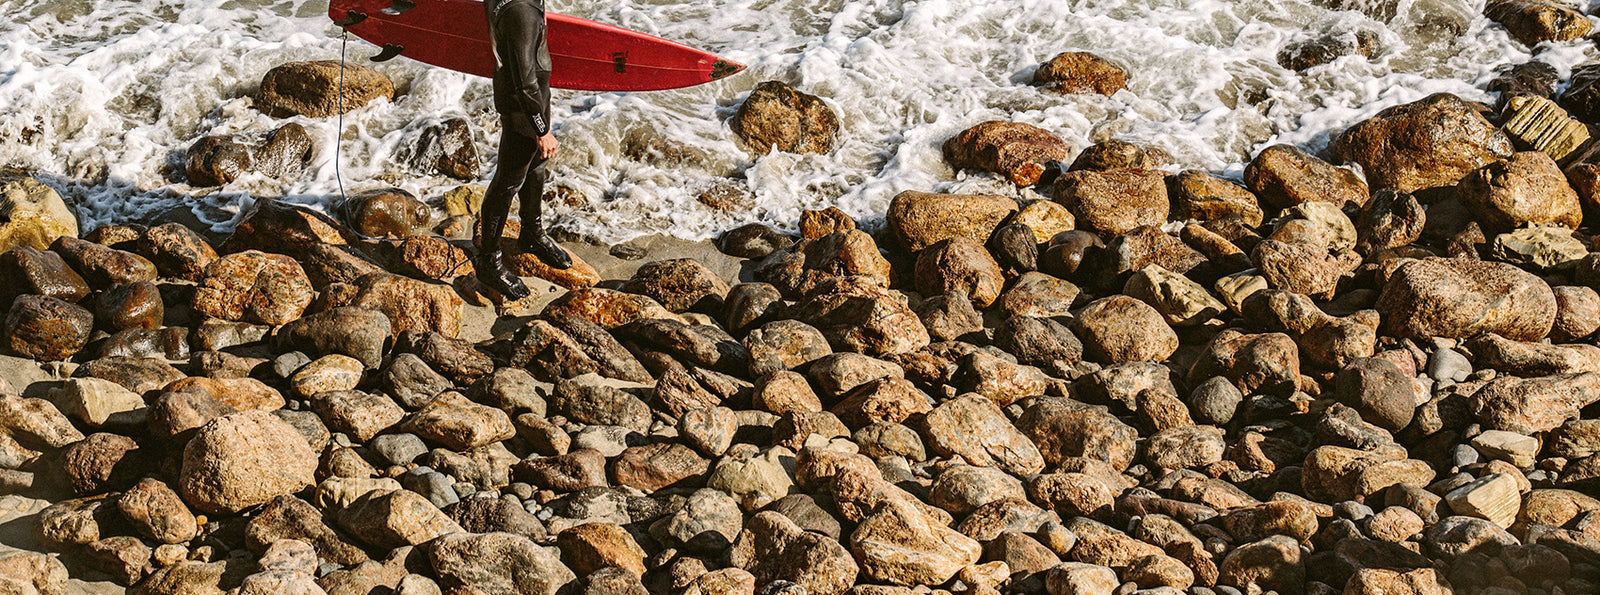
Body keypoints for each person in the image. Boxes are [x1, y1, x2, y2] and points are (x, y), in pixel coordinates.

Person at [478, 0, 572, 301]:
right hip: (523, 109)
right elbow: (525, 82)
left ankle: (531, 233)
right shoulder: (521, 12)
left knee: (536, 168)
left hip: (532, 102)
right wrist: (541, 129)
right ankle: (489, 261)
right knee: (507, 182)